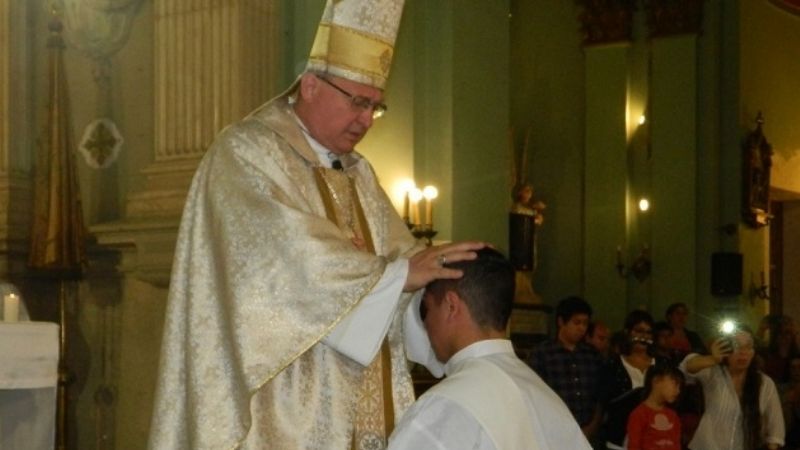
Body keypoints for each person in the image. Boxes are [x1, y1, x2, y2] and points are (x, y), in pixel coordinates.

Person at [148, 1, 485, 448]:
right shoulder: (247, 153)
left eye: (376, 107)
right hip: (285, 407)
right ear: (309, 85)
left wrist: (441, 278)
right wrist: (398, 274)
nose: (366, 120)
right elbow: (283, 260)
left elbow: (402, 257)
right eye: (358, 102)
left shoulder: (359, 173)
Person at [388, 248, 591, 450]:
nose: (426, 323)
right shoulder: (543, 394)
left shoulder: (445, 405)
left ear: (451, 306)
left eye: (427, 309)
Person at [680, 326, 785, 450]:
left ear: (753, 352)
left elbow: (775, 430)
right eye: (736, 346)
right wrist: (712, 358)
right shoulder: (714, 373)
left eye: (748, 347)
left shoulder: (764, 383)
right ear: (726, 349)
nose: (743, 352)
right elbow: (686, 367)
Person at [527, 296, 603, 441]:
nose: (582, 328)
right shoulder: (543, 353)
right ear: (561, 322)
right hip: (554, 431)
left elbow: (599, 395)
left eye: (585, 323)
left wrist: (592, 426)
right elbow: (535, 395)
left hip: (588, 431)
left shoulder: (592, 354)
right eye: (576, 322)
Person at [600, 309, 665, 450]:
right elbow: (605, 402)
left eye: (648, 332)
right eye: (639, 331)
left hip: (655, 440)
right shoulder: (613, 366)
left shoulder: (662, 365)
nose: (643, 336)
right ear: (628, 332)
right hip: (620, 441)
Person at [626, 363, 684, 450]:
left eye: (680, 387)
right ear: (656, 380)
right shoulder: (639, 414)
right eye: (675, 384)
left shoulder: (673, 416)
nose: (678, 391)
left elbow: (677, 445)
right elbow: (633, 446)